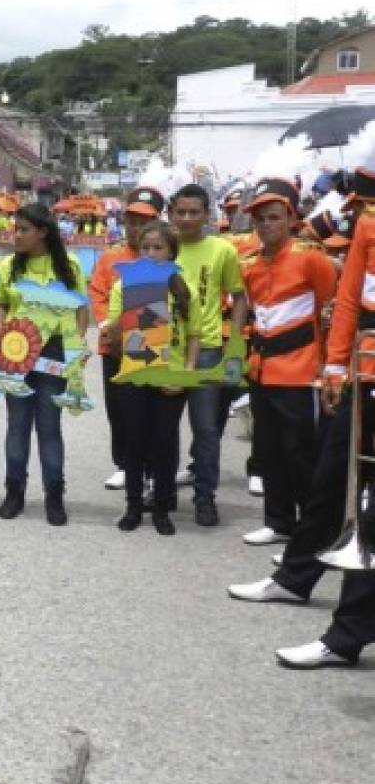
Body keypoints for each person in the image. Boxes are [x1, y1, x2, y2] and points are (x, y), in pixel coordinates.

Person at [261, 164, 375, 669]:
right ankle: (320, 605)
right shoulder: (369, 226)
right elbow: (350, 299)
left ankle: (343, 627)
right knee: (336, 485)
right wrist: (334, 369)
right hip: (365, 376)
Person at [235, 179, 336, 548]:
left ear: (291, 219)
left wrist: (328, 367)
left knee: (302, 454)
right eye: (260, 219)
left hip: (302, 372)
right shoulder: (249, 265)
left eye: (274, 217)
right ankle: (278, 521)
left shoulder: (311, 259)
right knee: (269, 450)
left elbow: (330, 313)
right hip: (262, 370)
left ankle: (313, 532)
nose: (266, 225)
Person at [0, 203, 88, 526]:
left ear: (43, 232)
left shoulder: (70, 266)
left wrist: (76, 353)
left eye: (23, 230)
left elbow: (80, 312)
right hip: (17, 356)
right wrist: (1, 338)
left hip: (55, 355)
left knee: (49, 427)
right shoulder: (8, 266)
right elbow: (1, 306)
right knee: (17, 425)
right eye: (15, 228)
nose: (15, 235)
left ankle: (54, 495)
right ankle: (14, 491)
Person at [106, 221, 201, 535]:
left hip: (172, 379)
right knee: (134, 441)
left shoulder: (183, 289)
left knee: (164, 443)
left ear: (171, 252)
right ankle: (133, 505)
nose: (150, 253)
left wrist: (185, 375)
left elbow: (193, 337)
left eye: (158, 248)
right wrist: (123, 317)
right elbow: (116, 339)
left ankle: (162, 506)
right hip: (136, 376)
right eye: (145, 248)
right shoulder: (123, 286)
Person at [169, 183, 248, 527]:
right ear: (171, 213)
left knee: (206, 429)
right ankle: (162, 491)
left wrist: (235, 342)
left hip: (210, 351)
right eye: (180, 212)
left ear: (206, 215)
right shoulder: (161, 247)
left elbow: (239, 296)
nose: (186, 219)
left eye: (194, 212)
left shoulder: (222, 250)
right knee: (164, 426)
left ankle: (205, 497)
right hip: (167, 352)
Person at [89, 186, 161, 491]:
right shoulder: (111, 257)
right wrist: (109, 327)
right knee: (117, 408)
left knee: (151, 411)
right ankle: (123, 463)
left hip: (153, 343)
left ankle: (151, 466)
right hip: (114, 345)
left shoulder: (162, 256)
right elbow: (98, 293)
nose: (136, 228)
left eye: (144, 221)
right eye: (131, 221)